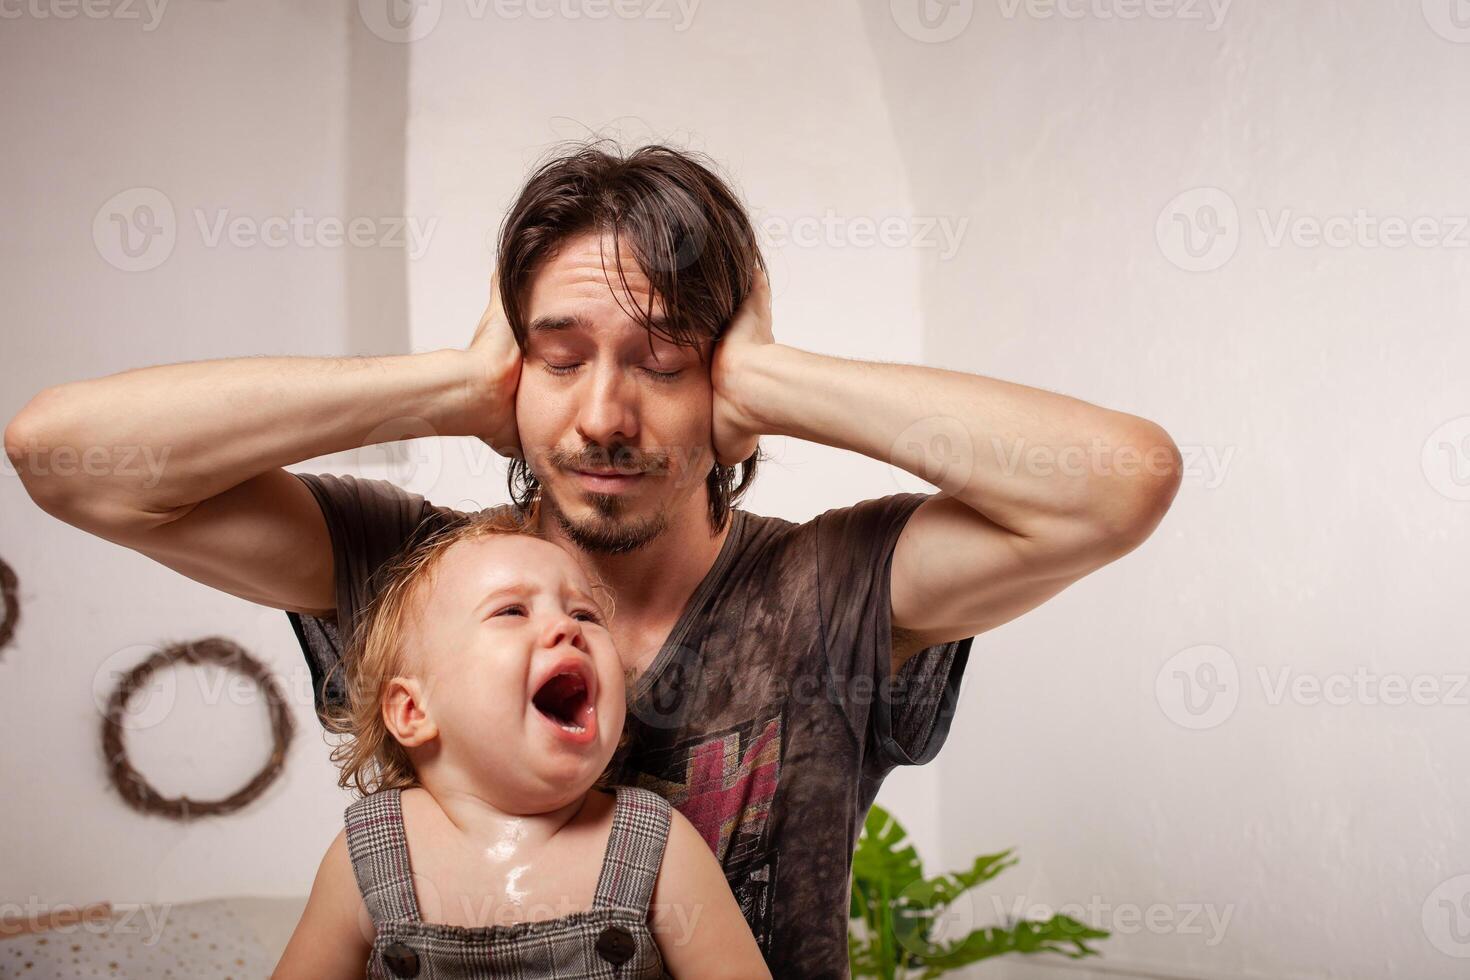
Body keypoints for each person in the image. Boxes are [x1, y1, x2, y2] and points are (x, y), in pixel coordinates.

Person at [5, 139, 1182, 977]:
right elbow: (64, 458)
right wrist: (454, 387)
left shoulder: (832, 592)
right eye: (558, 357)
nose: (605, 416)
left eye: (665, 360)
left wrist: (768, 381)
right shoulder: (415, 580)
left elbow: (1119, 483)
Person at [272, 508, 770, 979]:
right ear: (412, 711)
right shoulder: (369, 854)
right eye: (511, 611)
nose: (566, 628)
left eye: (587, 615)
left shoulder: (659, 846)